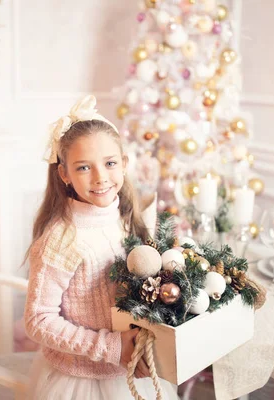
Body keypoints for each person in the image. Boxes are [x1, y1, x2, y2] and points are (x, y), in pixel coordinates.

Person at [24, 95, 178, 399]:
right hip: (83, 381)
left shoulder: (124, 219)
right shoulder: (61, 239)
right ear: (64, 174)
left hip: (133, 369)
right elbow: (38, 320)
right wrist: (111, 346)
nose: (100, 178)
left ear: (124, 164)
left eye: (109, 163)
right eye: (83, 168)